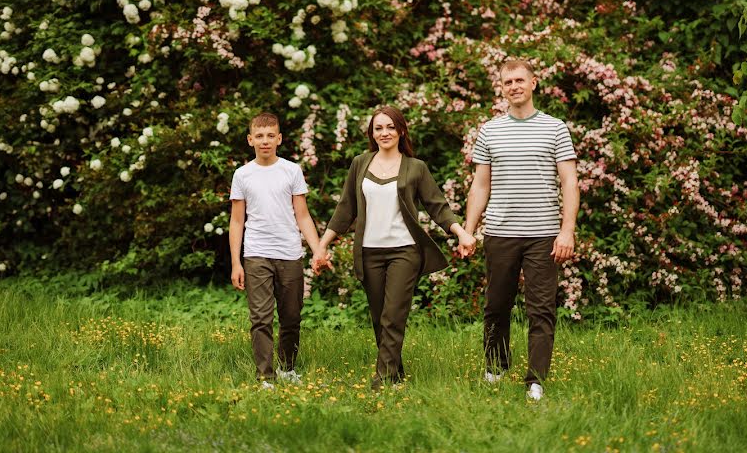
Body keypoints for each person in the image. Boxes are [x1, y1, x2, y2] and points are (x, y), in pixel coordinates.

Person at [314, 106, 476, 389]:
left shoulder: (416, 168)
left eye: (390, 127)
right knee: (379, 318)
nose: (384, 132)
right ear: (372, 133)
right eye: (378, 128)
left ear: (401, 130)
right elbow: (345, 209)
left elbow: (438, 207)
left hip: (405, 251)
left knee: (393, 315)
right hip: (369, 252)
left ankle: (384, 380)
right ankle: (396, 373)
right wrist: (321, 246)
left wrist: (462, 233)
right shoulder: (360, 163)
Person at [464, 58, 579, 401]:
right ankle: (496, 368)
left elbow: (570, 182)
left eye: (518, 80)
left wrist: (567, 230)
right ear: (501, 88)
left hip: (543, 235)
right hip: (500, 233)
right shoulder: (490, 130)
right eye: (506, 82)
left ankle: (536, 381)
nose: (513, 86)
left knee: (541, 309)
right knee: (496, 305)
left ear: (533, 83)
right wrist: (469, 229)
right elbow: (480, 186)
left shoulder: (555, 128)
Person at [228, 112, 326, 388]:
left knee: (291, 317)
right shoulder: (243, 174)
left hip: (290, 253)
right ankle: (265, 377)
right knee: (260, 318)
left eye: (271, 135)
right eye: (259, 136)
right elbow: (237, 221)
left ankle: (287, 368)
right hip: (256, 253)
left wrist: (318, 249)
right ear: (250, 140)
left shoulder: (292, 171)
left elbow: (303, 216)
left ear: (279, 138)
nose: (265, 141)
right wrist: (236, 263)